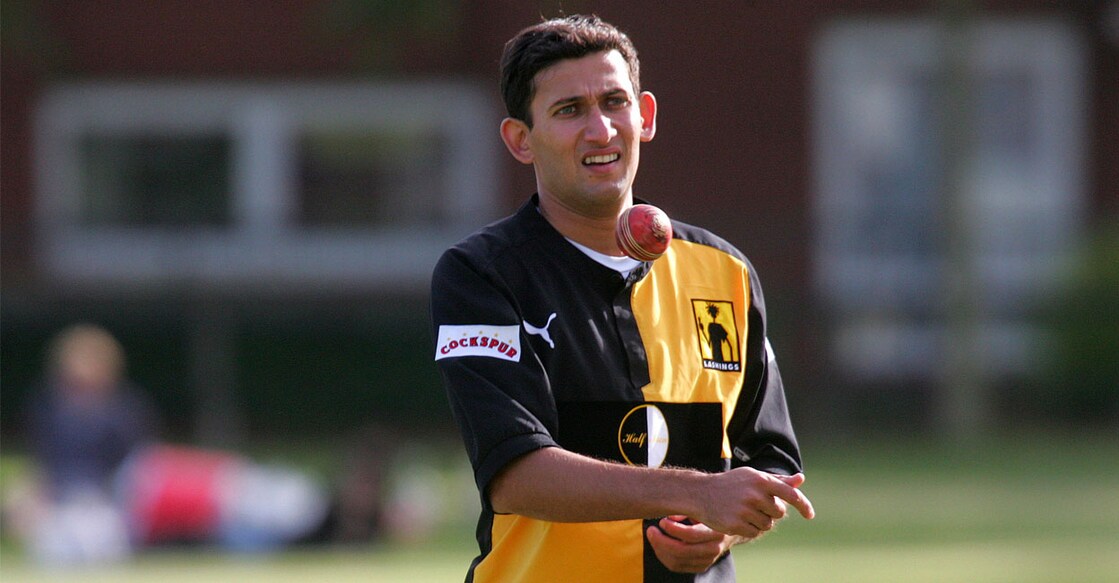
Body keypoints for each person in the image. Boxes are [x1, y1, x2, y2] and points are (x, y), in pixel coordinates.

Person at [430, 15, 814, 582]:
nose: (601, 129)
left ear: (646, 116)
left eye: (614, 102)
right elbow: (516, 474)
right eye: (569, 110)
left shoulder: (724, 270)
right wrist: (700, 492)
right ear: (520, 140)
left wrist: (721, 528)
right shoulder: (481, 274)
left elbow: (772, 463)